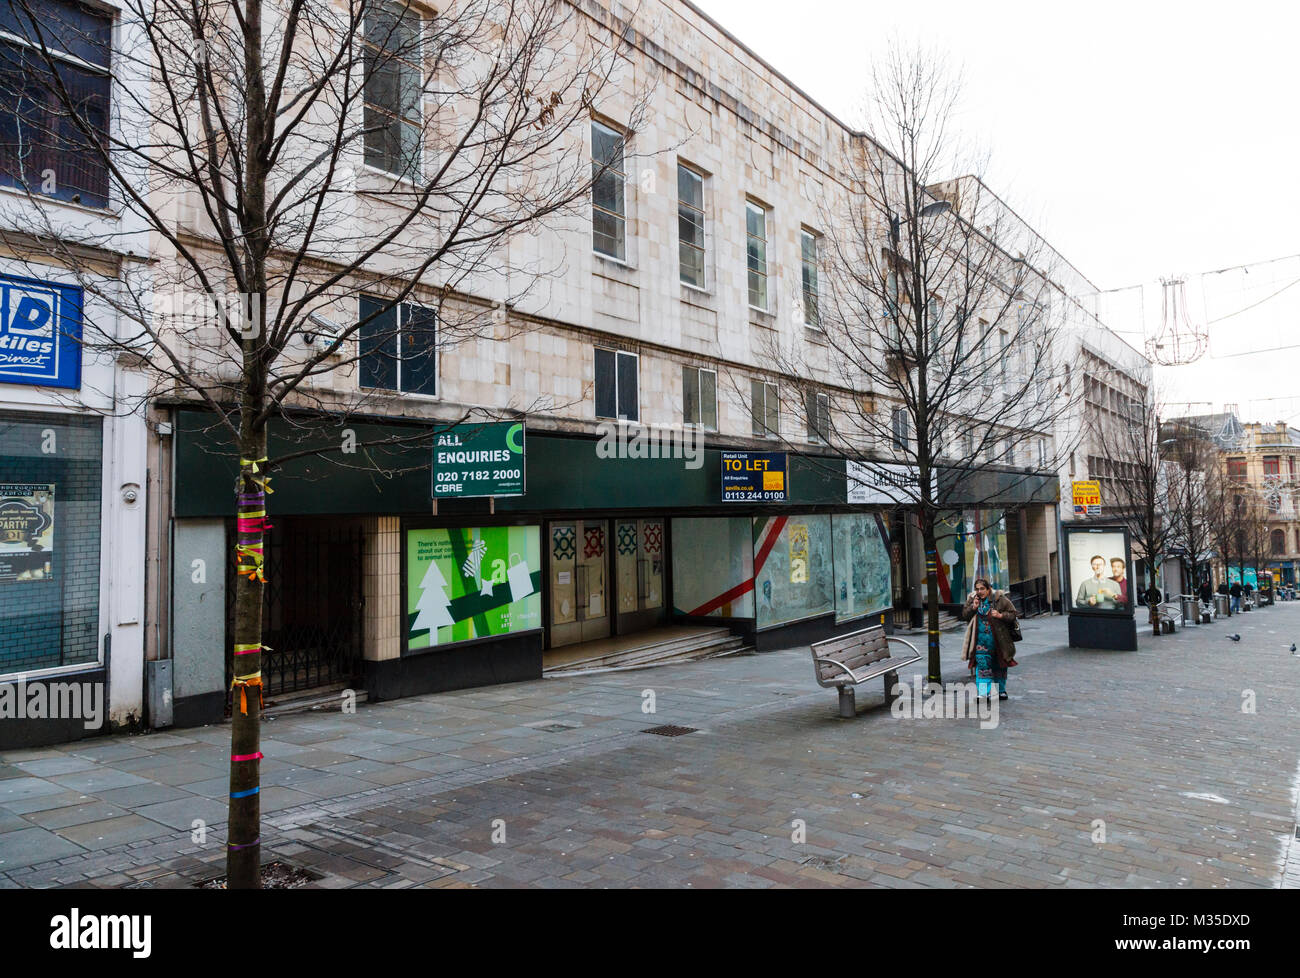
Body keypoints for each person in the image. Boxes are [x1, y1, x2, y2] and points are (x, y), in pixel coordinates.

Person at [961, 578, 1018, 701]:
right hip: (980, 642)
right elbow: (965, 615)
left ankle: (1001, 690)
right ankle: (983, 693)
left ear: (988, 589)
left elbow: (1013, 614)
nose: (979, 591)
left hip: (999, 641)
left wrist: (1001, 615)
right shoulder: (972, 599)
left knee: (1000, 666)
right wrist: (973, 607)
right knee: (982, 666)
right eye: (977, 589)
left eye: (982, 589)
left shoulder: (999, 599)